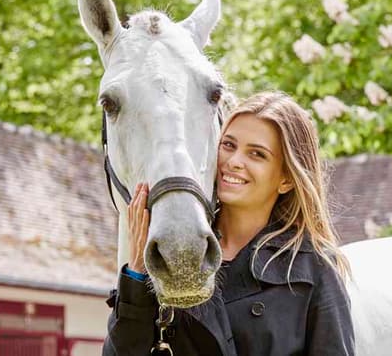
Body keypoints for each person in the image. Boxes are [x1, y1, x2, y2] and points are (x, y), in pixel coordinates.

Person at [103, 91, 355, 355]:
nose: (234, 162)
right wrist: (136, 274)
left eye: (257, 154)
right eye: (228, 145)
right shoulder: (173, 250)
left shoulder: (314, 269)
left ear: (286, 180)